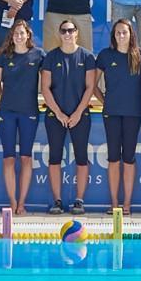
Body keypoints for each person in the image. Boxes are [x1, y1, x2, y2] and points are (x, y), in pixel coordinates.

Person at [41, 19, 97, 215]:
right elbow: (45, 88)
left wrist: (77, 113)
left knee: (81, 158)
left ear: (76, 33)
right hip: (55, 115)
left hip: (80, 115)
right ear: (59, 33)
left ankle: (79, 200)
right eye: (63, 30)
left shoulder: (87, 57)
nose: (67, 34)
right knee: (55, 158)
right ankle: (57, 200)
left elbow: (90, 87)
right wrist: (59, 113)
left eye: (70, 30)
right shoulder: (50, 57)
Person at [0, 20, 44, 214]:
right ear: (11, 36)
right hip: (7, 113)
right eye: (16, 33)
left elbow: (48, 82)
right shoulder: (3, 57)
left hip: (29, 112)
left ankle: (22, 203)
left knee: (26, 158)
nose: (19, 36)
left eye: (22, 33)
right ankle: (12, 201)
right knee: (9, 159)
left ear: (28, 35)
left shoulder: (38, 56)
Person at [94, 19, 141, 215]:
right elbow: (93, 85)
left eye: (124, 32)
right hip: (112, 113)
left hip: (133, 113)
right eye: (118, 33)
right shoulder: (106, 55)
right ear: (113, 35)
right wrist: (105, 101)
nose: (121, 36)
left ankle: (127, 204)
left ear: (130, 34)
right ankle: (114, 202)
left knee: (129, 157)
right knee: (114, 157)